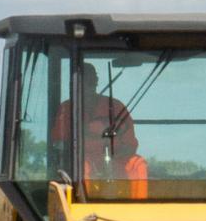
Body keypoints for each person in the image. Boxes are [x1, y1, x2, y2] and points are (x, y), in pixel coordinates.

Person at [51, 62, 147, 197]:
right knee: (82, 167)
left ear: (96, 81)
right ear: (73, 83)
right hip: (82, 158)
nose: (87, 85)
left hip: (116, 157)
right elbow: (59, 143)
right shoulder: (66, 109)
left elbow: (130, 144)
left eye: (90, 80)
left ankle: (139, 208)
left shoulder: (116, 106)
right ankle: (84, 205)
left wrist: (115, 156)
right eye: (83, 81)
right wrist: (83, 133)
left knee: (138, 164)